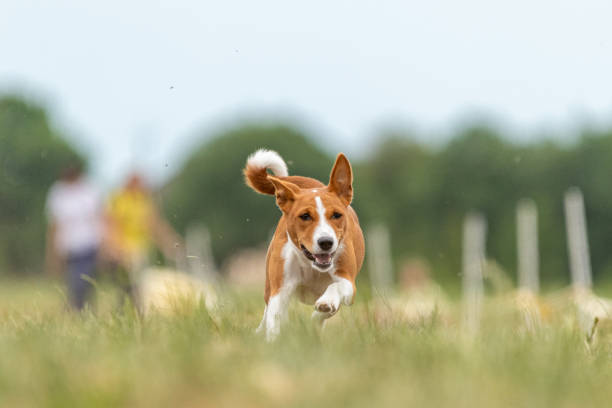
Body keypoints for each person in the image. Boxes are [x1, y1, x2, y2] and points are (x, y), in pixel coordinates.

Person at [104, 172, 184, 308]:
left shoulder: (144, 202)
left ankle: (137, 314)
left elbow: (155, 225)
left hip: (141, 251)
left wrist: (171, 243)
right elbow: (112, 227)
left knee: (140, 287)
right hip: (125, 252)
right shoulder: (119, 201)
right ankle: (129, 313)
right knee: (128, 288)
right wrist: (117, 249)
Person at [45, 163, 103, 310]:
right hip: (68, 247)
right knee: (75, 280)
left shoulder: (89, 190)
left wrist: (104, 244)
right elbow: (54, 224)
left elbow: (99, 218)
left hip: (89, 244)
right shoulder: (58, 193)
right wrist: (52, 252)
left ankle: (81, 309)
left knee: (84, 279)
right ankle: (77, 309)